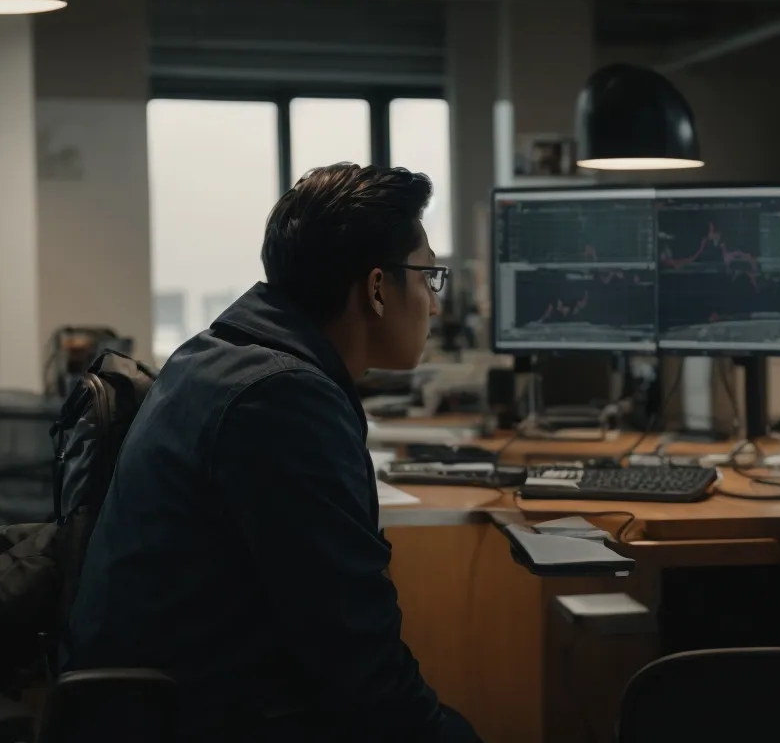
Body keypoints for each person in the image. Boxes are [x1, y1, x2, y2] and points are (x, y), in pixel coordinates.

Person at [66, 164, 476, 742]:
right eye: (429, 277)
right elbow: (357, 659)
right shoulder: (284, 400)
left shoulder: (216, 354)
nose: (435, 307)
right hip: (206, 716)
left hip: (155, 702)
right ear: (378, 288)